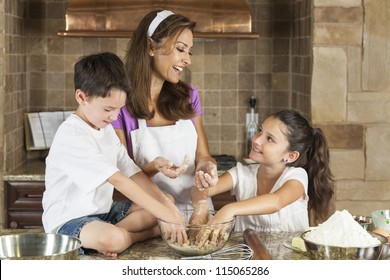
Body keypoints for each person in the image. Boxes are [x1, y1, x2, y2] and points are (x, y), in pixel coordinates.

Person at [42, 52, 186, 257]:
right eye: (108, 109)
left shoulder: (105, 128)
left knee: (167, 199)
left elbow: (133, 173)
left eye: (119, 109)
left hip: (103, 214)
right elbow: (118, 180)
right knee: (115, 237)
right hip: (69, 222)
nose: (114, 116)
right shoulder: (72, 135)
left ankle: (122, 234)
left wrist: (169, 210)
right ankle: (127, 237)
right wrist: (165, 216)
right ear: (81, 97)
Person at [112, 10, 218, 211]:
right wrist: (154, 167)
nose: (187, 60)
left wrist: (207, 167)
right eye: (181, 49)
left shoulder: (188, 95)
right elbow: (121, 180)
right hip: (150, 216)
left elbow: (204, 156)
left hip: (198, 211)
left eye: (189, 51)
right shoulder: (119, 106)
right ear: (151, 46)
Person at [191, 109, 334, 244]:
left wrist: (229, 209)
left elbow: (276, 201)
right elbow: (200, 190)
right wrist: (202, 197)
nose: (257, 140)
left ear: (290, 156)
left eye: (270, 139)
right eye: (260, 131)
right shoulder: (241, 174)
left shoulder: (296, 177)